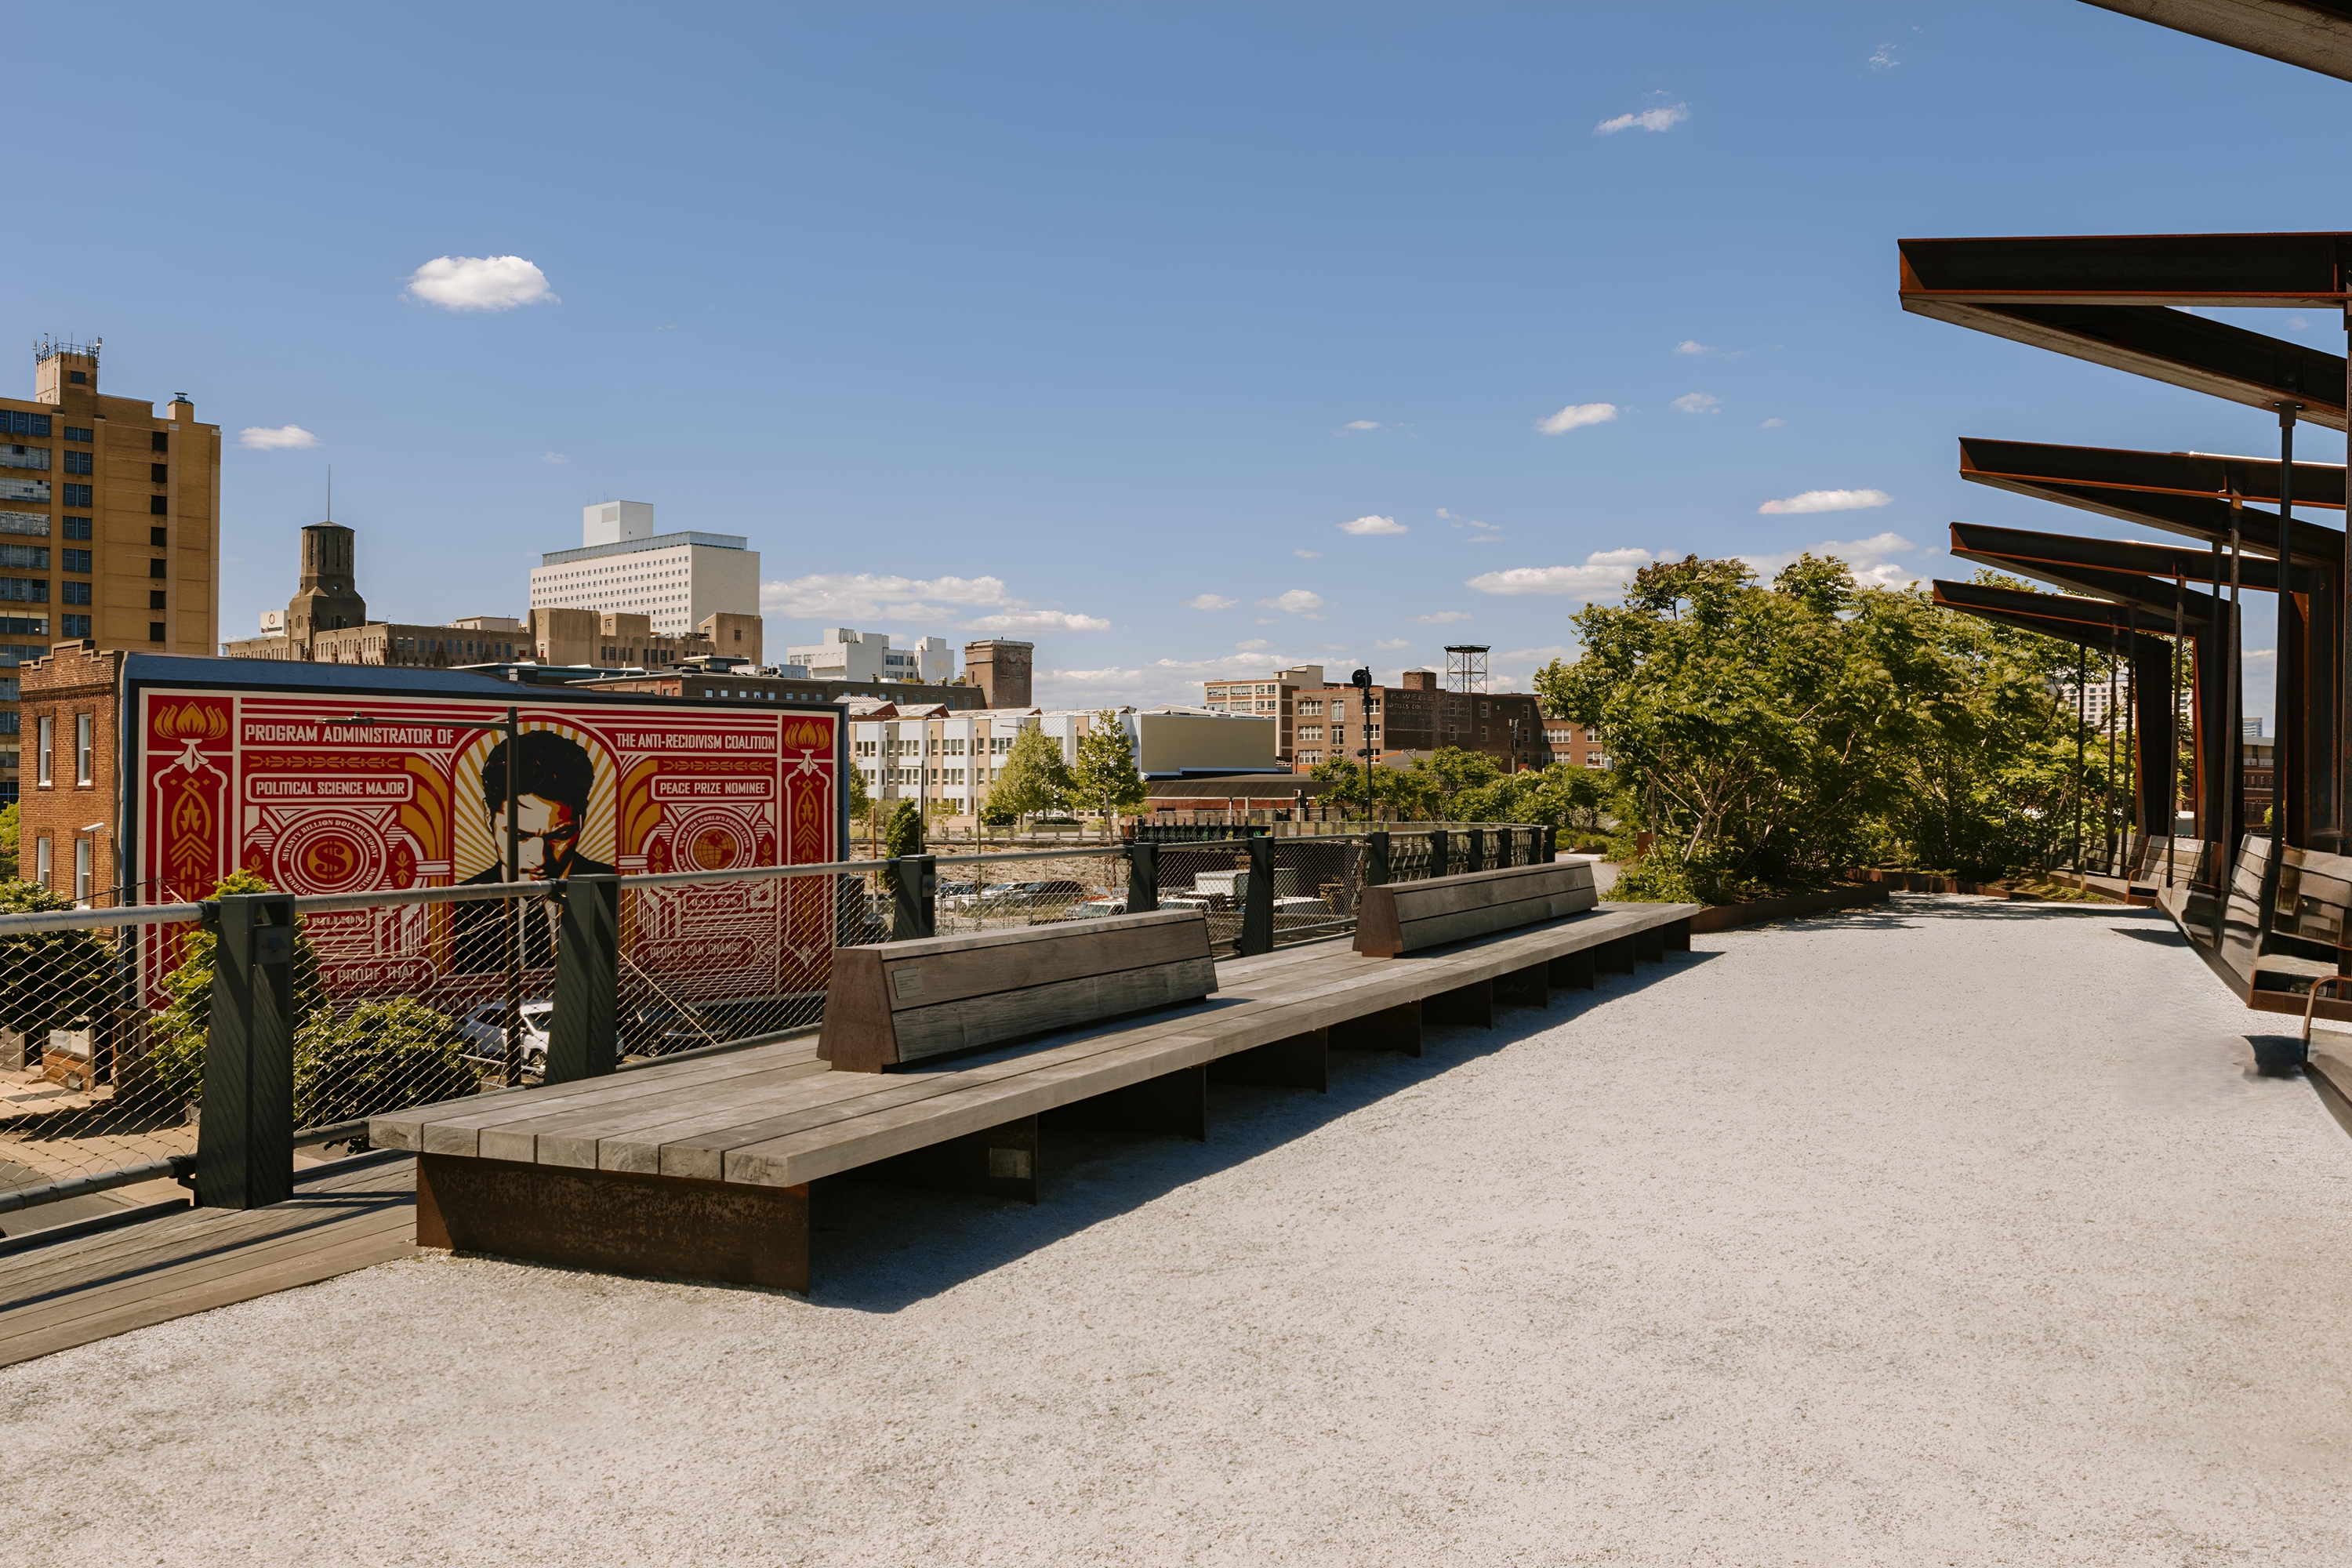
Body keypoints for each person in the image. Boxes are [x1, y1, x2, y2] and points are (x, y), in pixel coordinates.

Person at [452, 729, 614, 974]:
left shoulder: (614, 891)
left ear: (584, 818)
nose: (539, 859)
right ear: (488, 816)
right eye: (520, 836)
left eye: (560, 835)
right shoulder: (460, 904)